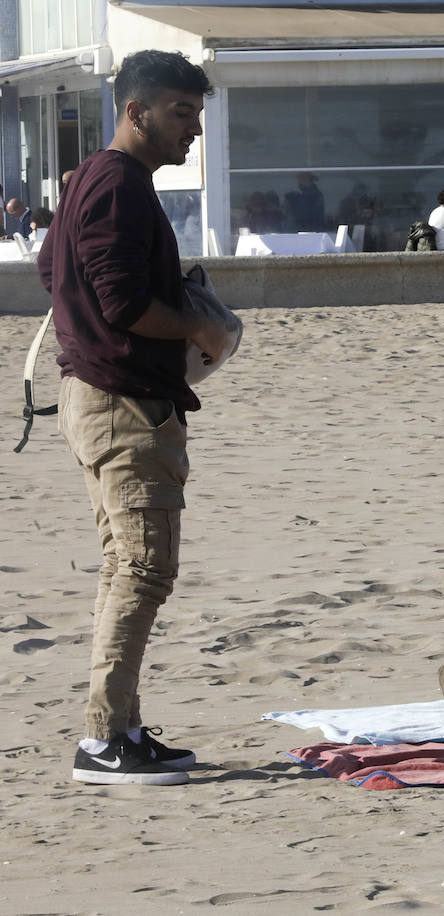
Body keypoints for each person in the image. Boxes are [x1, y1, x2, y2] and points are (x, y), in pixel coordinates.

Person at [37, 50, 234, 786]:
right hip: (121, 404)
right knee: (145, 568)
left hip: (100, 395)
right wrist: (198, 328)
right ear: (136, 110)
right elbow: (121, 303)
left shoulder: (99, 178)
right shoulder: (116, 184)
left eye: (198, 113)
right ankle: (103, 741)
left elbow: (52, 270)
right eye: (181, 112)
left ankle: (118, 728)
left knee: (129, 567)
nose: (193, 128)